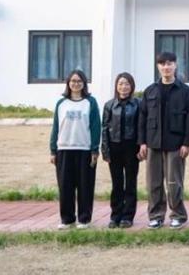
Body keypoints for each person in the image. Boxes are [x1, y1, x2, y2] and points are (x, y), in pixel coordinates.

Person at [137, 52, 189, 230]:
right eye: (162, 64)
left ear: (175, 65)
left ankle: (178, 215)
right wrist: (142, 142)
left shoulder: (185, 91)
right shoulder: (150, 90)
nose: (166, 67)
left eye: (169, 63)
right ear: (158, 67)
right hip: (153, 143)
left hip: (175, 144)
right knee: (153, 183)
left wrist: (186, 143)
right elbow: (142, 117)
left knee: (174, 182)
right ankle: (156, 216)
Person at [49, 70, 101, 230]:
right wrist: (53, 150)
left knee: (85, 186)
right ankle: (67, 219)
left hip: (85, 149)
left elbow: (96, 127)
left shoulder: (90, 102)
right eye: (73, 81)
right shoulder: (61, 103)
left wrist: (94, 150)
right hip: (64, 149)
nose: (76, 84)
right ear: (68, 83)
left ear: (84, 83)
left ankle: (84, 219)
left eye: (79, 81)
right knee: (65, 186)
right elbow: (56, 127)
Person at [101, 72, 140, 229]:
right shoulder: (109, 105)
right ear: (116, 86)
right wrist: (105, 150)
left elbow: (140, 126)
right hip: (114, 147)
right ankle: (115, 215)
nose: (124, 87)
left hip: (132, 148)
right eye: (121, 84)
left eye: (127, 84)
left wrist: (141, 146)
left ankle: (128, 216)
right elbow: (104, 128)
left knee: (130, 182)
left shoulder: (138, 104)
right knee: (116, 183)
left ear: (132, 86)